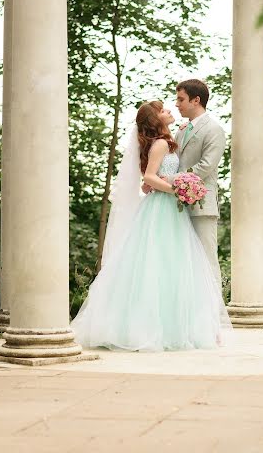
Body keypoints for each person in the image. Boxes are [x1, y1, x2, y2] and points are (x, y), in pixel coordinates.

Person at [71, 101, 231, 352]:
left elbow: (153, 177)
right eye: (163, 109)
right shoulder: (160, 144)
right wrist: (178, 189)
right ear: (156, 119)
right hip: (162, 208)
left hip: (169, 208)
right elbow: (149, 177)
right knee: (156, 265)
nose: (170, 110)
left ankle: (177, 326)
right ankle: (151, 328)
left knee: (172, 267)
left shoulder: (171, 138)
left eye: (173, 105)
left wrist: (169, 186)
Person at [175, 79, 226, 288]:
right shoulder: (181, 130)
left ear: (196, 100)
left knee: (206, 260)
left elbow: (206, 166)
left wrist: (172, 181)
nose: (176, 104)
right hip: (175, 206)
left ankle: (216, 316)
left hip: (202, 205)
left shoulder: (214, 129)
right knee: (181, 262)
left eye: (181, 99)